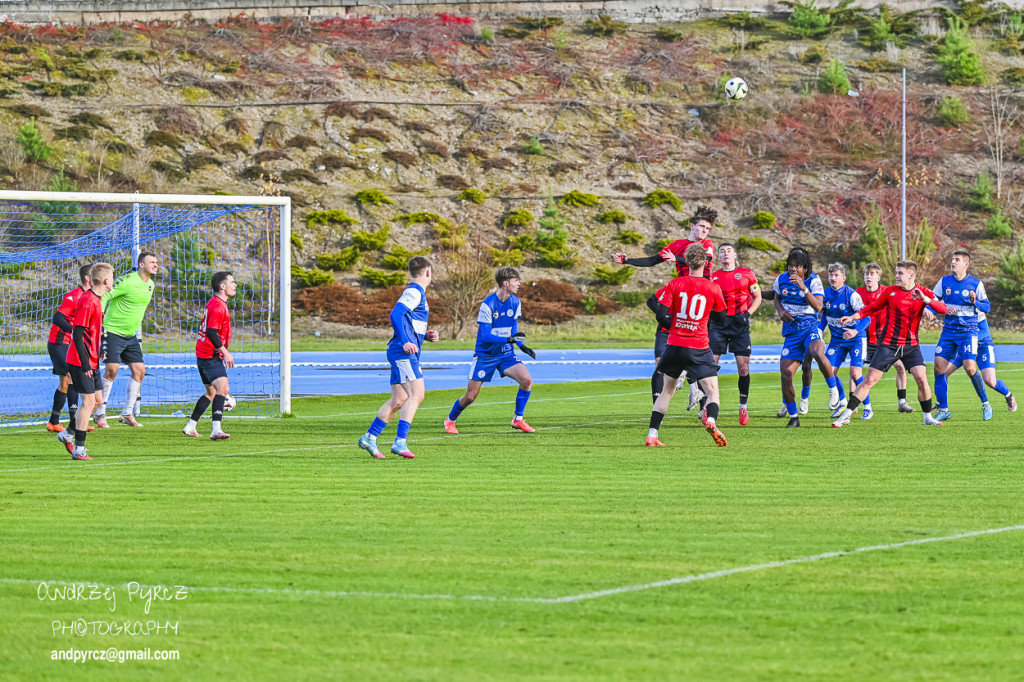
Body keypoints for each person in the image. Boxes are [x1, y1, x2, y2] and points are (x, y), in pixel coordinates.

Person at [614, 204, 718, 410]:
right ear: (692, 226)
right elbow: (653, 260)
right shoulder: (678, 244)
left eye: (707, 228)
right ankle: (682, 376)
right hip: (683, 288)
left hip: (702, 292)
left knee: (695, 343)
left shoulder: (707, 244)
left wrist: (677, 258)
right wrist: (627, 260)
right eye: (702, 227)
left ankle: (694, 385)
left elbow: (704, 261)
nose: (704, 231)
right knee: (654, 302)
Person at [832, 260, 948, 428]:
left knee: (922, 378)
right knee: (870, 380)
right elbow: (872, 308)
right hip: (888, 345)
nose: (896, 276)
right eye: (896, 272)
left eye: (900, 273)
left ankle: (928, 417)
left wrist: (926, 300)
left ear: (911, 275)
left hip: (911, 345)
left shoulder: (922, 292)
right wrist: (853, 317)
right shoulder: (890, 292)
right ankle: (847, 414)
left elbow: (943, 308)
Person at [645, 244, 728, 447]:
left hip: (674, 344)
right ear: (706, 262)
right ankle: (710, 420)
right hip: (698, 345)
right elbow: (722, 318)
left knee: (667, 391)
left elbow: (660, 313)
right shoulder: (713, 287)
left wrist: (676, 327)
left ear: (686, 262)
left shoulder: (675, 284)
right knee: (712, 391)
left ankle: (652, 435)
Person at [358, 256, 439, 459]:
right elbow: (396, 314)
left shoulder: (417, 293)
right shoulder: (414, 291)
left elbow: (408, 322)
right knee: (417, 395)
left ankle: (370, 437)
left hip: (400, 350)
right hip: (402, 352)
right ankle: (400, 442)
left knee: (400, 398)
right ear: (428, 272)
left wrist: (425, 336)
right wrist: (405, 341)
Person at [444, 266, 538, 434]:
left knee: (526, 380)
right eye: (516, 281)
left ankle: (518, 420)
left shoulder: (515, 302)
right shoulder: (487, 305)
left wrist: (522, 346)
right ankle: (450, 420)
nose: (519, 284)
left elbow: (513, 329)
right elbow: (486, 335)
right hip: (485, 355)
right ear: (506, 283)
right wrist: (508, 339)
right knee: (470, 396)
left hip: (506, 353)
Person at [772, 247, 840, 428]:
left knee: (817, 351)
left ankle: (833, 390)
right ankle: (794, 417)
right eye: (790, 266)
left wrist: (804, 288)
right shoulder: (781, 279)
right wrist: (780, 311)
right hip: (792, 330)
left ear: (805, 268)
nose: (793, 269)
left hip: (810, 325)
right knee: (786, 373)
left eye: (797, 266)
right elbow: (776, 298)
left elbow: (818, 307)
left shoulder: (813, 280)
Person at [93, 251, 159, 428]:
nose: (156, 264)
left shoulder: (151, 285)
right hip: (112, 331)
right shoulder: (127, 281)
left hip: (131, 335)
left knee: (140, 371)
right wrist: (99, 318)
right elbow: (105, 295)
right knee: (112, 370)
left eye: (157, 262)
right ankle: (100, 414)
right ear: (141, 265)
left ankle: (127, 413)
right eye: (152, 261)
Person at [57, 262, 115, 461]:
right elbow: (78, 332)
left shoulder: (97, 301)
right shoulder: (88, 300)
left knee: (97, 401)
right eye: (113, 277)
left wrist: (100, 352)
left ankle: (67, 434)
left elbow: (93, 333)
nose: (113, 280)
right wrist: (84, 363)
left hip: (91, 360)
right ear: (107, 280)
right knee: (88, 402)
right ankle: (79, 449)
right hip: (80, 360)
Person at [930, 250, 990, 421]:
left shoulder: (975, 284)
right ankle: (944, 409)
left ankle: (985, 403)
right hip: (949, 331)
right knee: (938, 368)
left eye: (957, 260)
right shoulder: (944, 282)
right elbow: (933, 301)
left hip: (968, 331)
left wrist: (974, 302)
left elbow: (987, 307)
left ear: (966, 264)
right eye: (952, 259)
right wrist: (929, 310)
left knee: (970, 367)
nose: (953, 262)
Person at [709, 243, 762, 425]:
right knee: (710, 365)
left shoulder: (747, 274)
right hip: (718, 324)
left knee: (743, 367)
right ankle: (706, 405)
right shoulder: (712, 276)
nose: (725, 254)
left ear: (735, 255)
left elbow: (758, 297)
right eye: (722, 251)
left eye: (728, 251)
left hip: (740, 323)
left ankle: (743, 406)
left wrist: (747, 314)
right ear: (718, 256)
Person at [183, 271, 237, 440]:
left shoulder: (217, 303)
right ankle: (216, 430)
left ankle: (190, 425)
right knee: (223, 389)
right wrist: (225, 352)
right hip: (209, 354)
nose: (235, 285)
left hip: (204, 353)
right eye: (232, 282)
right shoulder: (217, 306)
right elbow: (211, 332)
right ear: (223, 286)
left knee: (211, 392)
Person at [857, 263, 915, 413]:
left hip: (884, 340)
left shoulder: (886, 292)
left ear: (878, 277)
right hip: (865, 339)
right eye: (866, 274)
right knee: (856, 371)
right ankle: (854, 402)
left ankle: (902, 402)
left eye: (872, 274)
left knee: (901, 368)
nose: (868, 277)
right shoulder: (858, 293)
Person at [820, 263, 872, 419]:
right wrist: (819, 331)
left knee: (856, 373)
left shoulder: (852, 295)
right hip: (837, 340)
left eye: (836, 275)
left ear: (843, 278)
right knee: (829, 371)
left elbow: (867, 317)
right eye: (831, 275)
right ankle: (843, 402)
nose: (833, 278)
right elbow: (823, 316)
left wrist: (855, 330)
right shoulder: (824, 294)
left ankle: (867, 407)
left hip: (856, 338)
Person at [941, 311, 1017, 417]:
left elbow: (985, 331)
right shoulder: (955, 310)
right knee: (943, 374)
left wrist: (969, 340)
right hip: (965, 348)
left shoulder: (975, 310)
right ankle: (942, 406)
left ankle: (1009, 395)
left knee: (990, 381)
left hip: (983, 347)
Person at [45, 264, 92, 434]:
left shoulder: (90, 297)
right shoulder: (74, 296)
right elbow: (57, 317)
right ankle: (76, 422)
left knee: (65, 382)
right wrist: (74, 331)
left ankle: (54, 421)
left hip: (70, 343)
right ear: (88, 278)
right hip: (58, 342)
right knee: (71, 377)